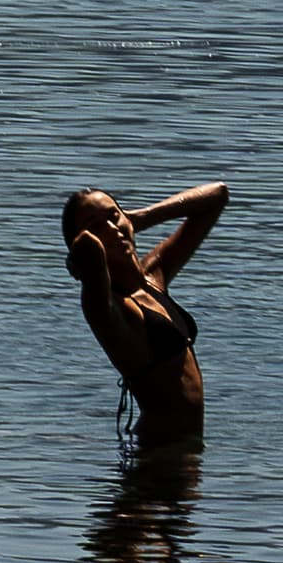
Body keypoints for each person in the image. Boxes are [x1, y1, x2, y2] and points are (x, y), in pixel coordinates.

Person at [61, 181, 230, 444]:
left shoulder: (154, 277)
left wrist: (141, 217)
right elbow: (87, 247)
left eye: (113, 216)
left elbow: (217, 195)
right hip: (157, 451)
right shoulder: (109, 306)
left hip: (185, 447)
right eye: (96, 225)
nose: (111, 227)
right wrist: (79, 256)